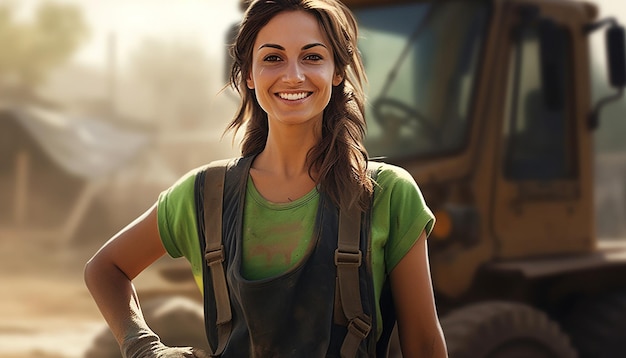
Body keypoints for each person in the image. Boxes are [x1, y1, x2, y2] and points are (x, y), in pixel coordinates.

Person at [84, 0, 448, 357]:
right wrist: (142, 346)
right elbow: (105, 269)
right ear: (248, 75)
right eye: (273, 58)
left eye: (312, 57)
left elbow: (424, 345)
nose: (293, 75)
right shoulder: (206, 195)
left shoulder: (387, 194)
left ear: (337, 72)